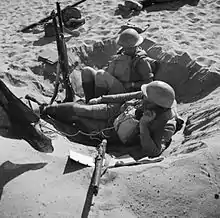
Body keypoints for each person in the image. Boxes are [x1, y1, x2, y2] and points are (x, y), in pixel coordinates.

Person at [42, 81, 183, 158]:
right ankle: (46, 109)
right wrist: (100, 99)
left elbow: (154, 151)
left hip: (118, 132)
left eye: (146, 98)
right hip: (119, 112)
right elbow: (123, 96)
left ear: (155, 104)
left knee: (81, 123)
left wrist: (144, 126)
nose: (142, 97)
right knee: (83, 110)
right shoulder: (152, 97)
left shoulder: (166, 125)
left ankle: (50, 120)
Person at [80, 28, 158, 103]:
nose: (126, 49)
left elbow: (149, 83)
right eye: (125, 47)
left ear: (135, 46)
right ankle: (89, 101)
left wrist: (132, 84)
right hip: (113, 82)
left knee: (100, 74)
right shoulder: (121, 53)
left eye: (129, 48)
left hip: (124, 91)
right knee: (87, 71)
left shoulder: (141, 61)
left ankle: (98, 103)